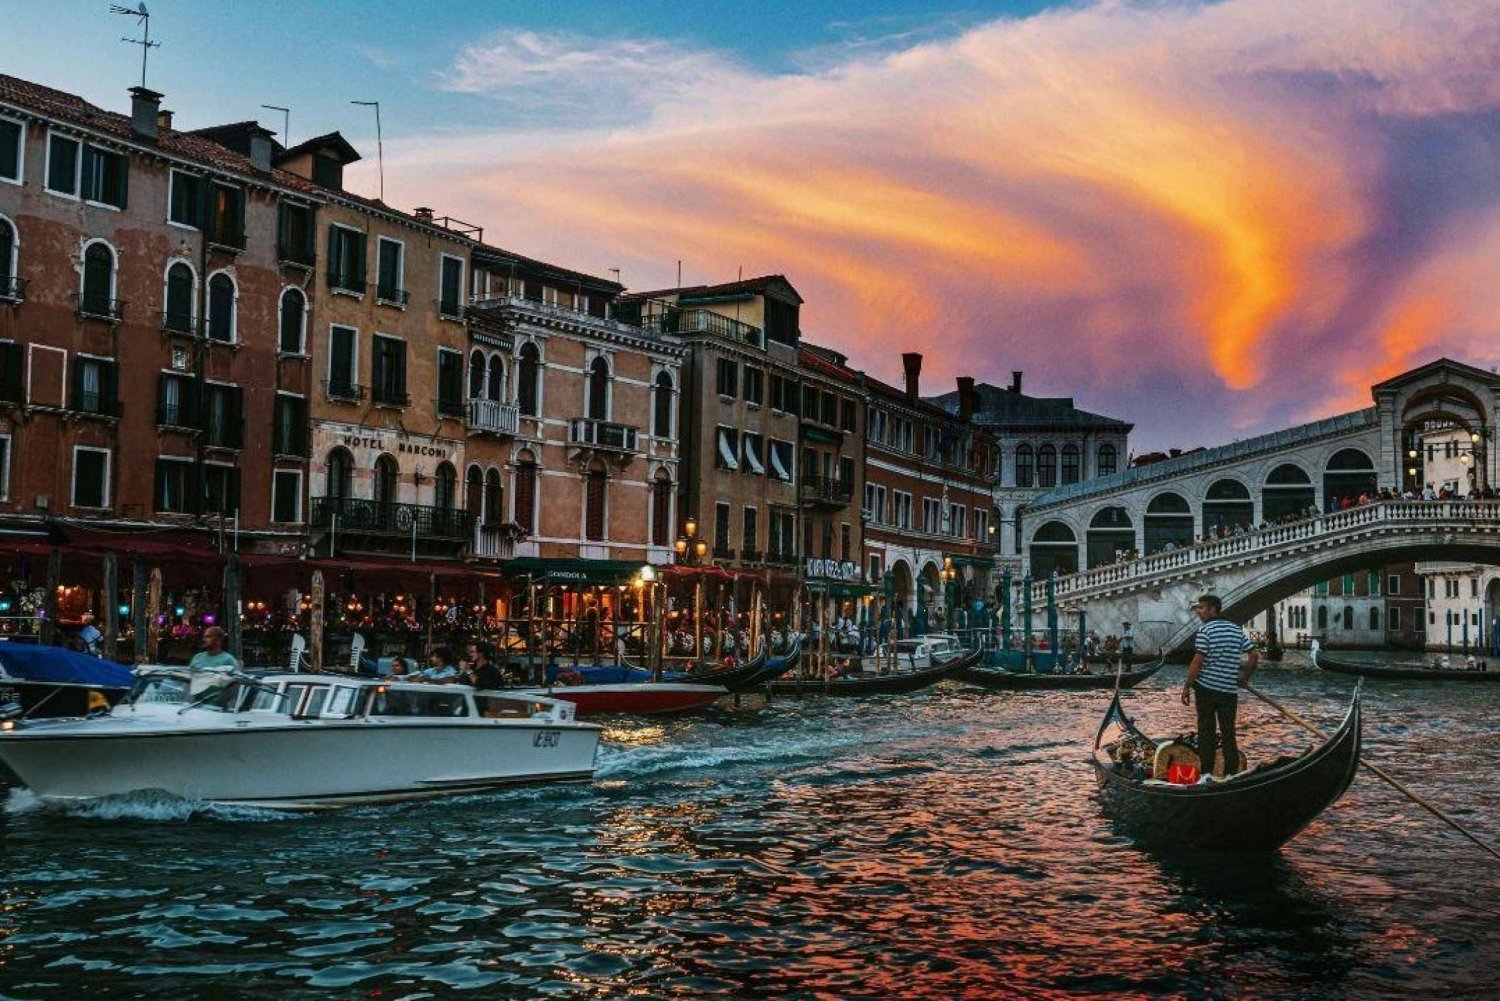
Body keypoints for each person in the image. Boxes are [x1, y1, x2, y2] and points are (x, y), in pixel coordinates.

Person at [1181, 595, 1258, 780]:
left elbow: (1197, 662)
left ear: (1213, 610)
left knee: (1206, 732)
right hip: (1229, 691)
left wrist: (1186, 687)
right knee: (1228, 733)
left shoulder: (1205, 631)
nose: (1198, 612)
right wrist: (1244, 678)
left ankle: (1207, 773)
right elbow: (1254, 656)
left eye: (1201, 608)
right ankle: (1230, 773)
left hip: (1206, 689)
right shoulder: (1236, 630)